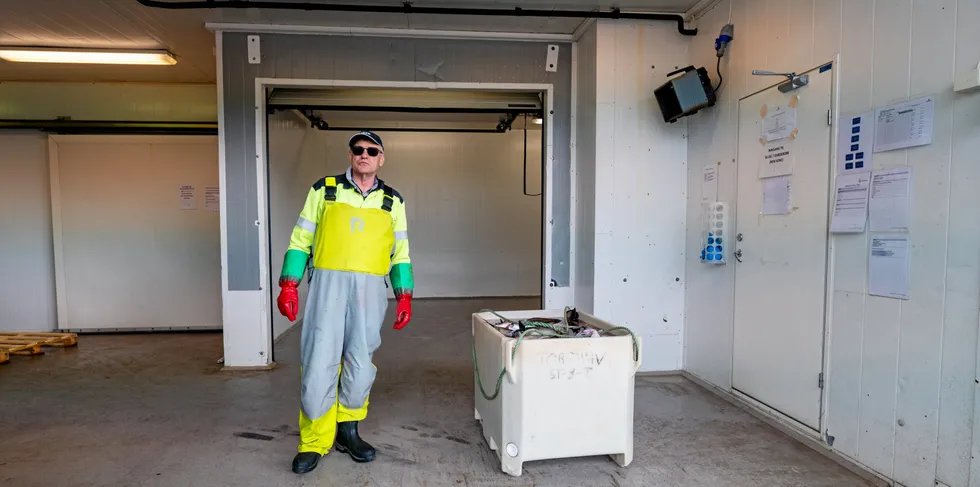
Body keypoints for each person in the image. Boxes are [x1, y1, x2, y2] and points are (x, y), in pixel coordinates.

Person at [275, 130, 414, 474]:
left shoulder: (392, 201)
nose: (364, 154)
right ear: (350, 155)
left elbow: (401, 252)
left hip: (370, 291)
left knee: (360, 360)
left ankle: (348, 432)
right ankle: (313, 442)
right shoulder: (324, 190)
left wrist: (404, 293)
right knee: (319, 358)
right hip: (328, 288)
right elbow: (301, 237)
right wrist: (289, 283)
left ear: (381, 158)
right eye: (358, 149)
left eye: (371, 150)